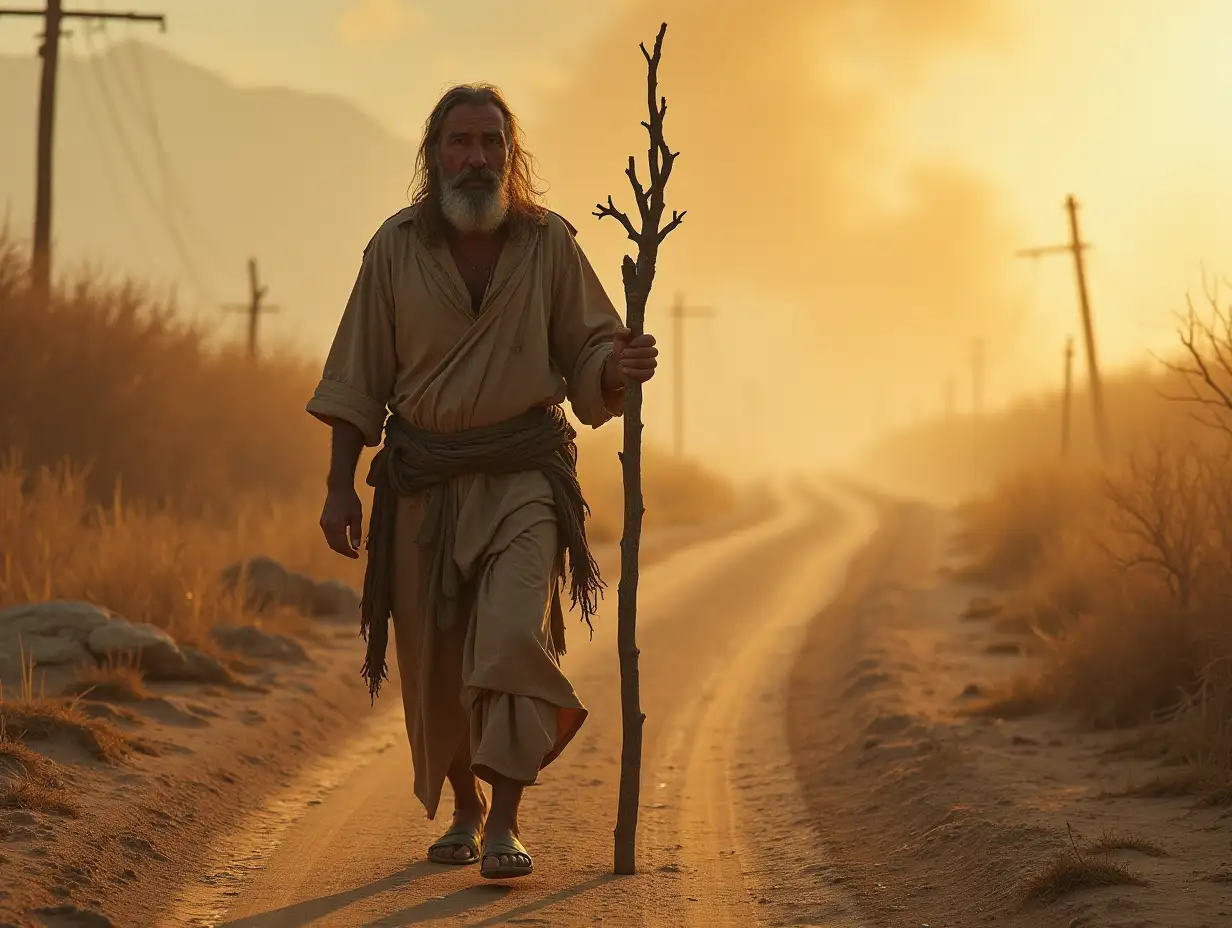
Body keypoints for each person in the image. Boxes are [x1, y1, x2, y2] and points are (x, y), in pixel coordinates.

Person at [306, 83, 658, 880]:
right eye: (460, 142)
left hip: (524, 478)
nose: (476, 157)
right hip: (421, 483)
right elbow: (356, 379)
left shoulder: (548, 244)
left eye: (491, 141)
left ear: (512, 153)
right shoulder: (392, 249)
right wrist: (339, 487)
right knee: (434, 666)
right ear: (433, 156)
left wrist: (619, 366)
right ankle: (463, 806)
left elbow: (591, 349)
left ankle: (505, 821)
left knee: (507, 638)